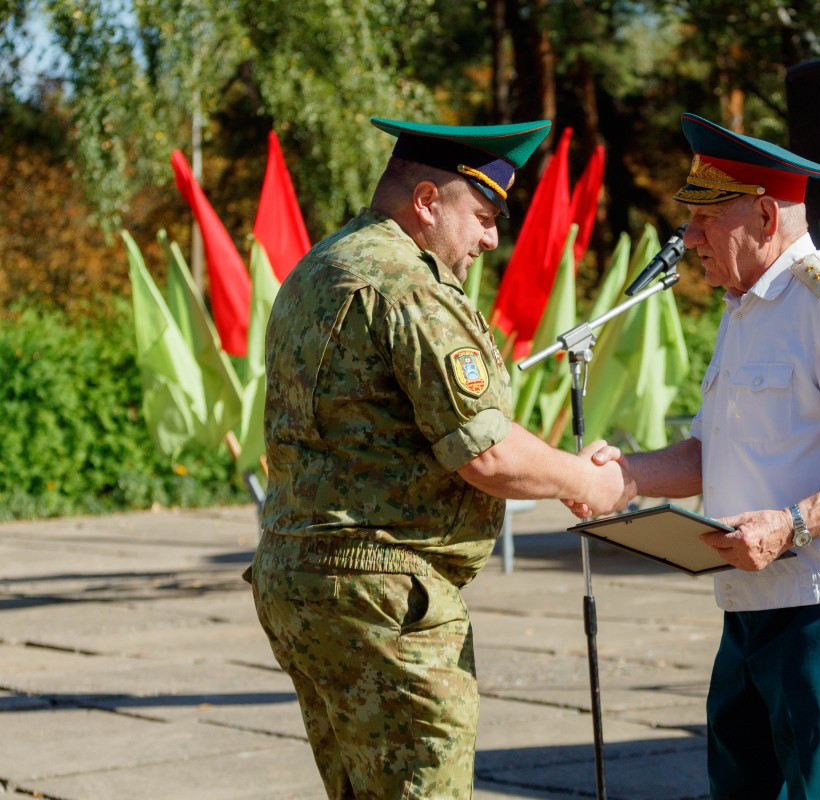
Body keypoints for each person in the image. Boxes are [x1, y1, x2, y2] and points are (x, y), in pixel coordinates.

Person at [248, 117, 635, 800]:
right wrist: (589, 482)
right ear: (427, 201)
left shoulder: (321, 266)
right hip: (383, 591)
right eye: (482, 215)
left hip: (302, 581)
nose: (490, 239)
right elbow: (484, 451)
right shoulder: (410, 285)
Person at [574, 113, 820, 800]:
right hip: (748, 601)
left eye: (706, 218)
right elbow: (712, 451)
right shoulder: (744, 308)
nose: (689, 237)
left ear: (765, 216)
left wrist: (790, 524)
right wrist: (626, 477)